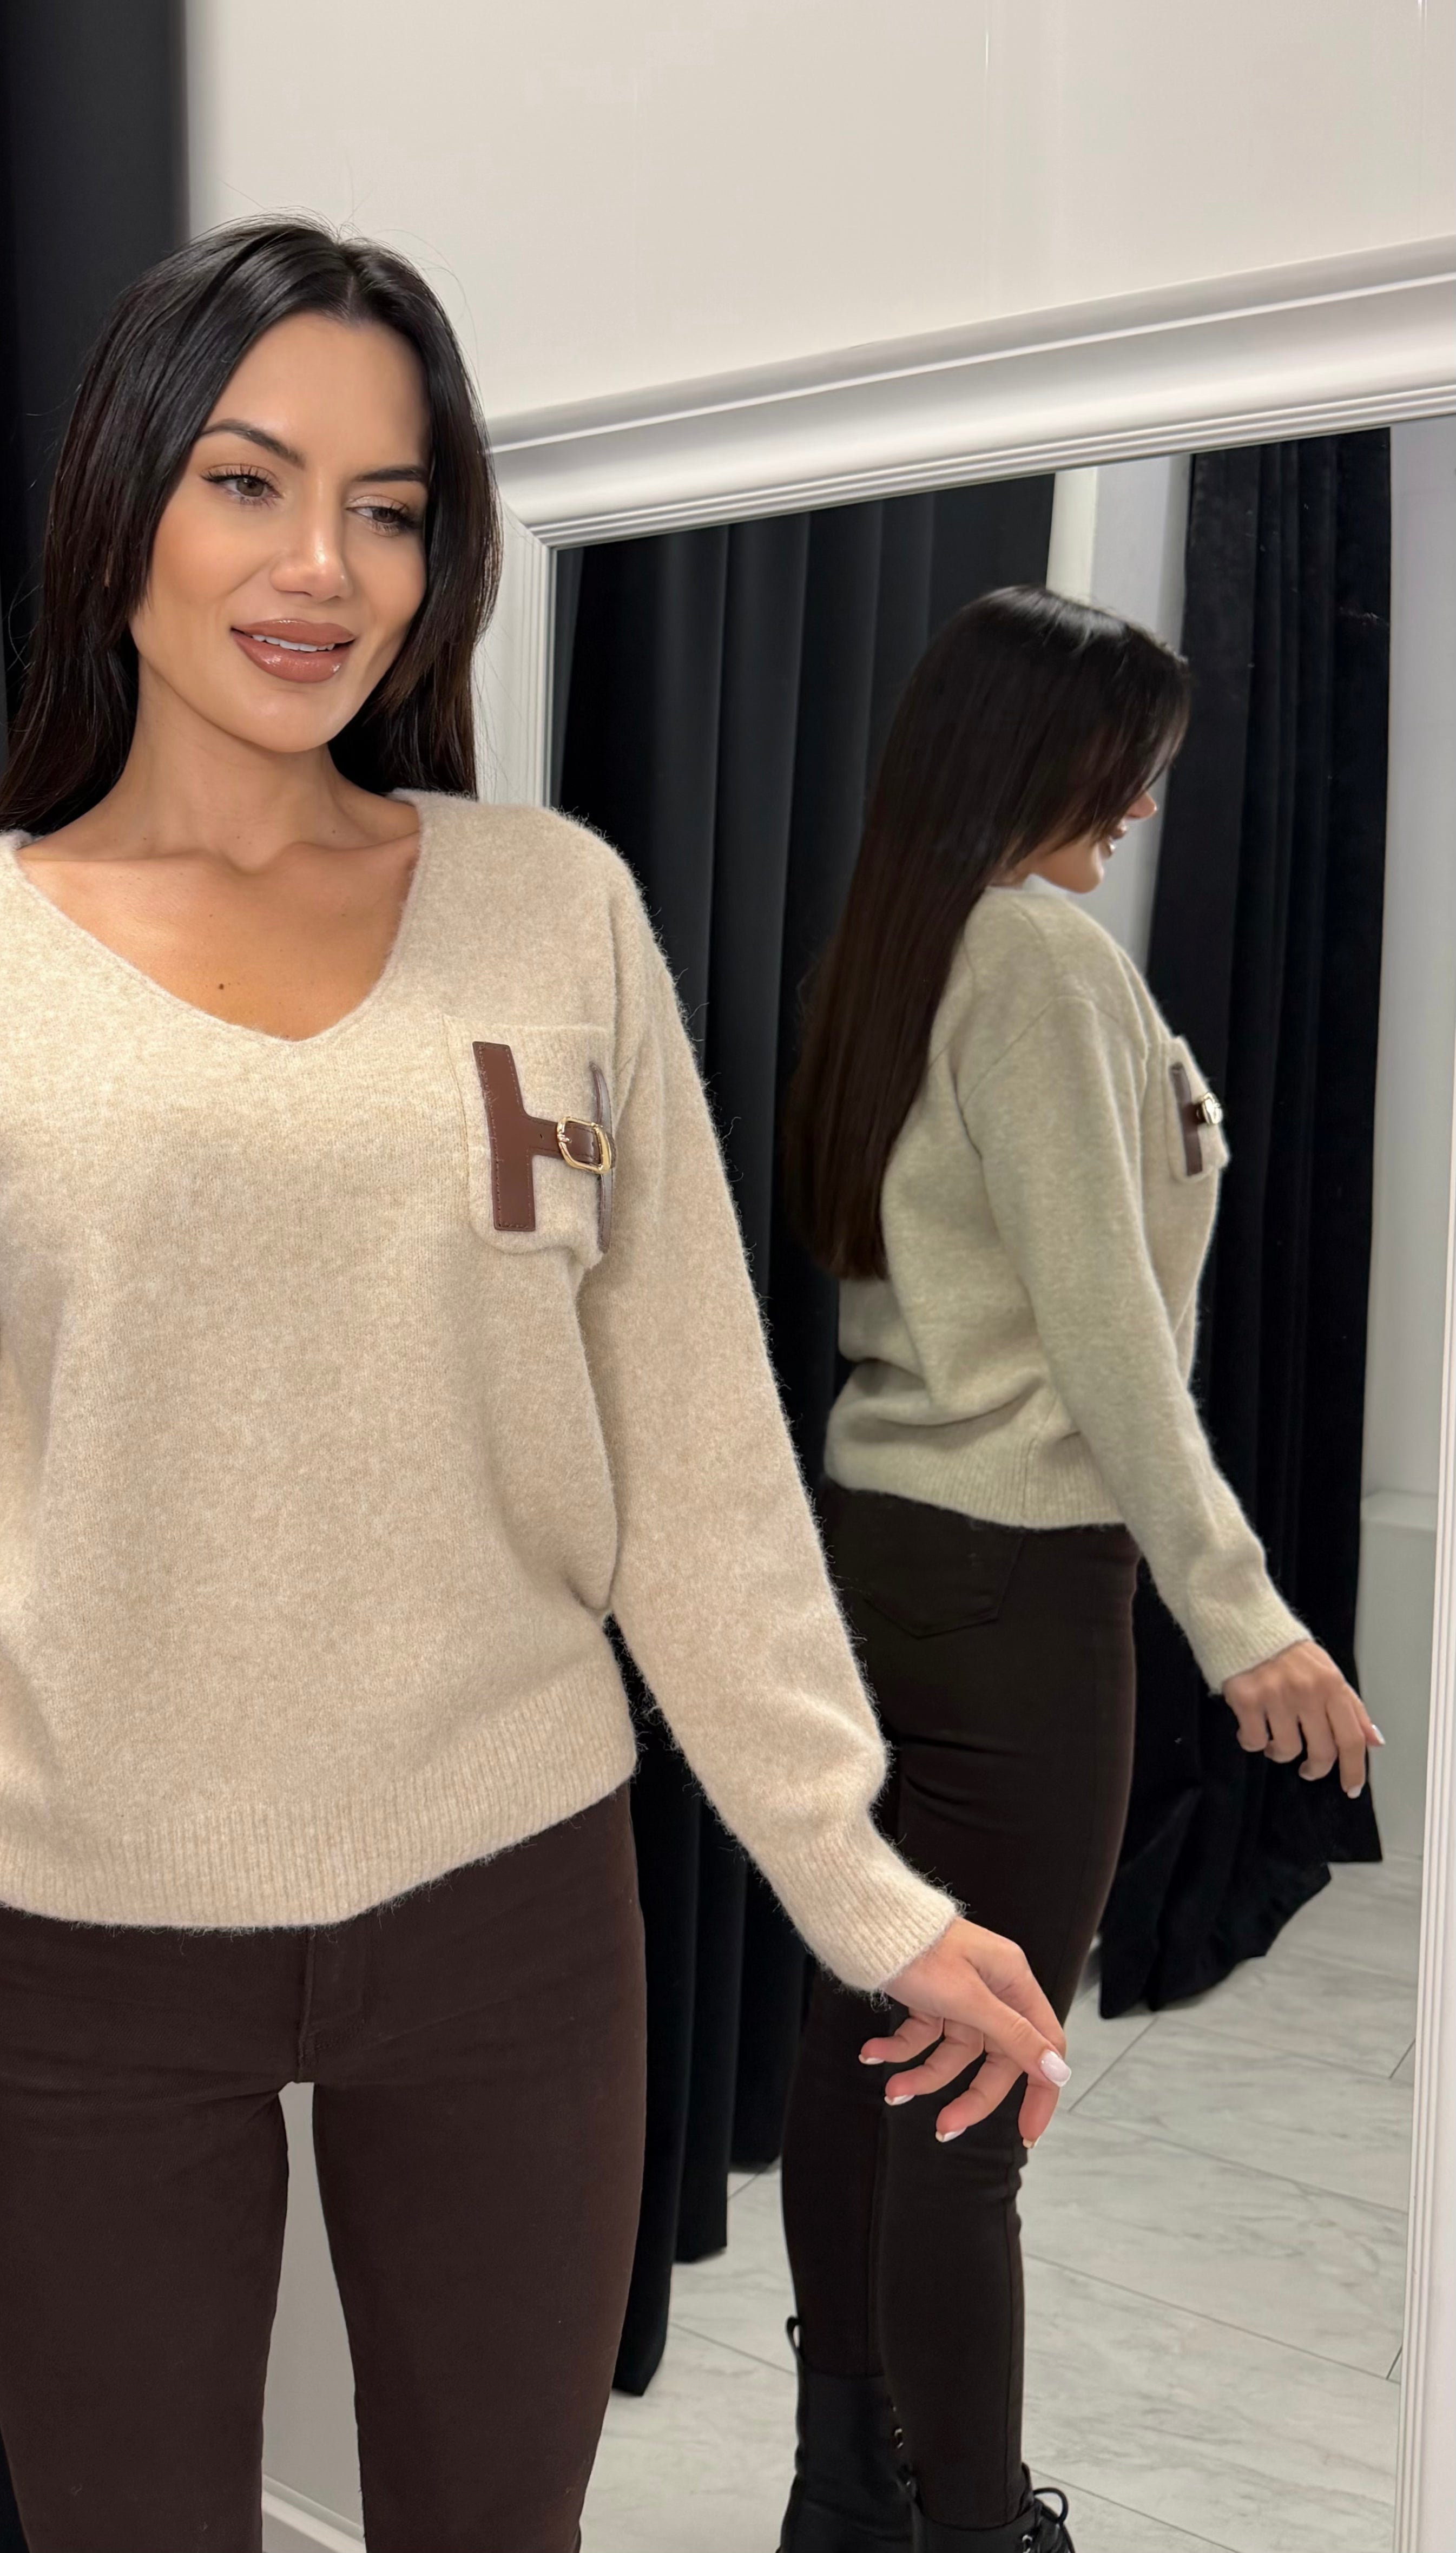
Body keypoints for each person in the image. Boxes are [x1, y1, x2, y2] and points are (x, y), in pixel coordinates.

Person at [0, 222, 1070, 2553]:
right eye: (248, 482)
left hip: (515, 1912)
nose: (321, 567)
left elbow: (697, 1477)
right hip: (81, 1951)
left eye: (391, 507)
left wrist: (861, 1883)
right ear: (122, 506)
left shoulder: (556, 915)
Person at [772, 585, 1384, 2553]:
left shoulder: (899, 942)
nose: (1140, 801)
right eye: (1127, 762)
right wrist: (1241, 1613)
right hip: (1015, 1581)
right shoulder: (1034, 959)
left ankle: (845, 2492)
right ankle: (971, 2526)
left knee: (874, 2035)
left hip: (880, 1552)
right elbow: (1108, 1330)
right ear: (1040, 752)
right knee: (976, 2078)